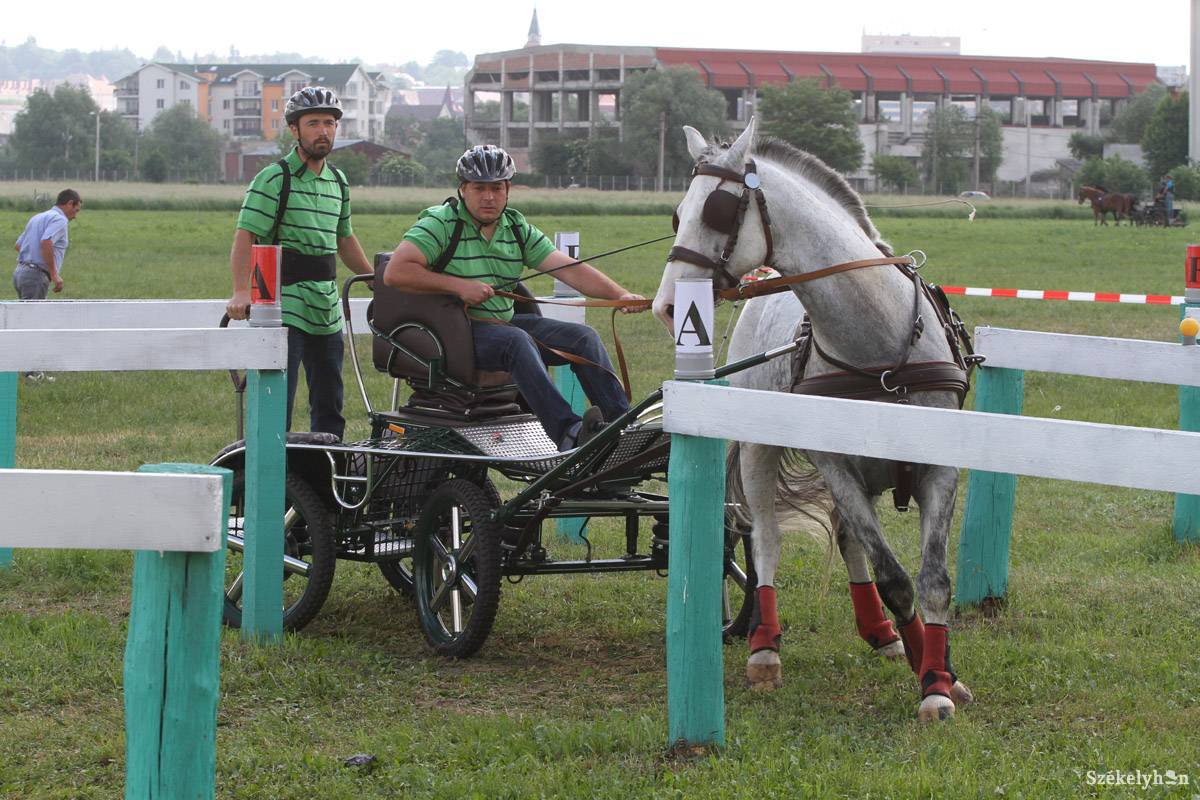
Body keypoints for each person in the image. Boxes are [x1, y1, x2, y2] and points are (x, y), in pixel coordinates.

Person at [384, 144, 647, 450]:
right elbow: (396, 272)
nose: (488, 197)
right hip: (454, 336)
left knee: (583, 337)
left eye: (496, 188)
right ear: (463, 189)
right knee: (516, 340)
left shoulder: (516, 227)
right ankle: (568, 432)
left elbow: (570, 270)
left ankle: (622, 429)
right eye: (479, 188)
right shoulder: (441, 223)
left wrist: (620, 294)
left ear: (508, 189)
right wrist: (459, 286)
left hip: (503, 325)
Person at [226, 87, 373, 441]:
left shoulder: (338, 181)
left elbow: (344, 239)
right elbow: (245, 236)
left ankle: (323, 485)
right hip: (282, 306)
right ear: (294, 129)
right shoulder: (275, 178)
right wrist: (241, 291)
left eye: (329, 123)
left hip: (326, 309)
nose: (323, 131)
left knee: (330, 406)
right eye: (313, 123)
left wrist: (373, 278)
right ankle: (276, 480)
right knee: (279, 402)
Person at [12, 188, 82, 381]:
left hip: (21, 273)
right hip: (35, 275)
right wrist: (54, 274)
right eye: (76, 210)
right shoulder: (59, 220)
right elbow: (46, 242)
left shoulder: (38, 217)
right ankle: (31, 373)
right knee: (35, 324)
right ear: (69, 203)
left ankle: (28, 368)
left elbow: (19, 245)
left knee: (27, 322)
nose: (75, 216)